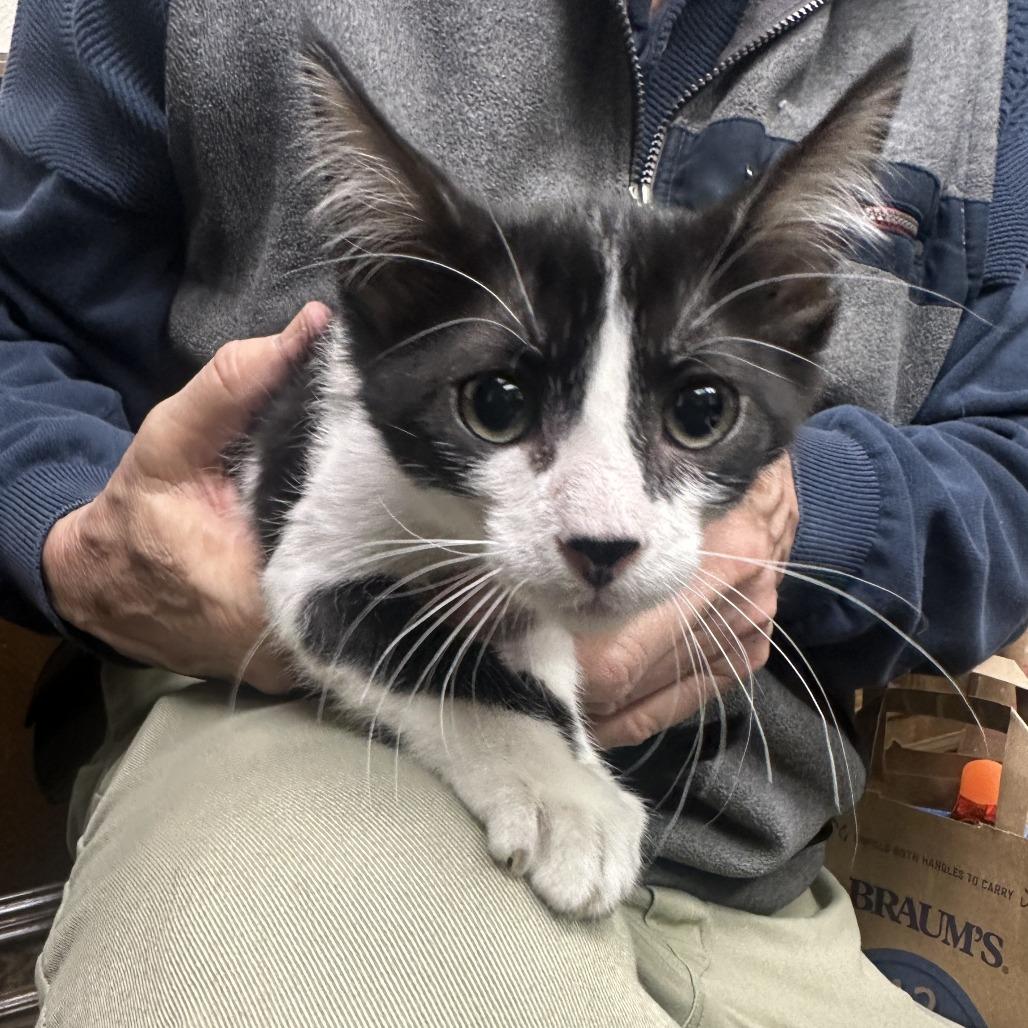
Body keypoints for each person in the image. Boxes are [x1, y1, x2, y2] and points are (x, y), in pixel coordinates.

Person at [2, 1, 1026, 1024]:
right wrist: (74, 530)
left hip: (759, 839)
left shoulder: (990, 33)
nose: (600, 524)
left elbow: (1007, 456)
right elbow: (18, 321)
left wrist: (816, 509)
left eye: (697, 410)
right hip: (289, 721)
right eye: (495, 406)